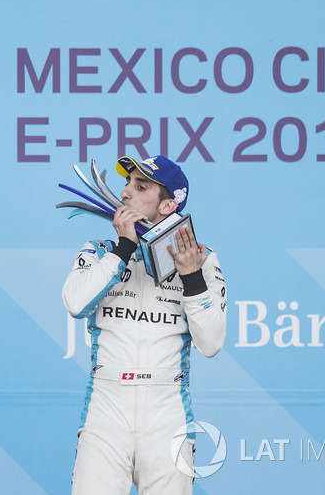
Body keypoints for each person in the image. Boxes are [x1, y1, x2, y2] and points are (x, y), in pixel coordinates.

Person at [62, 155, 226, 494]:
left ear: (167, 205)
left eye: (140, 187)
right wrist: (123, 249)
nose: (124, 193)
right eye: (126, 184)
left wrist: (191, 276)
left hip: (167, 413)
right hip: (106, 410)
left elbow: (211, 344)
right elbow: (75, 303)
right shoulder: (99, 251)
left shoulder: (202, 259)